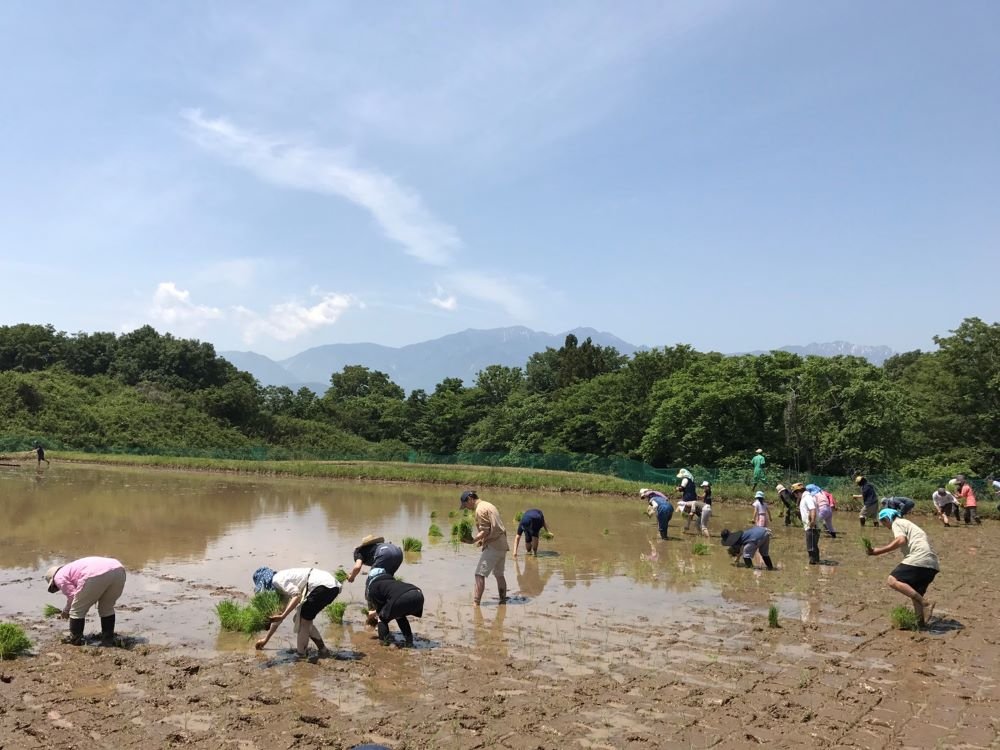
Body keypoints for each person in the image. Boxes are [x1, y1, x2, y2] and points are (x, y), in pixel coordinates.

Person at [866, 508, 939, 628]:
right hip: (932, 564)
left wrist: (878, 551)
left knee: (892, 580)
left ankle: (926, 604)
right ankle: (920, 624)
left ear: (887, 519)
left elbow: (901, 540)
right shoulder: (908, 524)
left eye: (884, 523)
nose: (885, 526)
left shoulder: (897, 523)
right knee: (915, 595)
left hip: (919, 558)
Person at [252, 566, 340, 661]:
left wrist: (283, 616)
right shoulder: (281, 589)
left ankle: (301, 655)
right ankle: (323, 650)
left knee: (302, 619)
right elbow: (278, 619)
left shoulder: (277, 580)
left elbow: (297, 595)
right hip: (331, 587)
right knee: (299, 619)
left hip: (324, 585)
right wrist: (266, 639)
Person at [45, 557, 126, 646]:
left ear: (52, 581)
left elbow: (72, 596)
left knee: (76, 610)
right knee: (106, 608)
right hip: (118, 569)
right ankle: (108, 639)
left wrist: (66, 610)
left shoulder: (58, 577)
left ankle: (76, 640)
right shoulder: (70, 568)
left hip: (94, 575)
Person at [460, 490, 509, 606]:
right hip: (502, 544)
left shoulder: (480, 509)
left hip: (494, 546)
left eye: (465, 505)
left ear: (470, 499)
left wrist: (472, 540)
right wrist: (482, 541)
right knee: (499, 574)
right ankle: (503, 600)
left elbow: (485, 531)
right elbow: (493, 527)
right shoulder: (488, 505)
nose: (466, 508)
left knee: (479, 574)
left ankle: (476, 603)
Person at [365, 576, 424, 647]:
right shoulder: (390, 583)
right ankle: (409, 641)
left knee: (382, 618)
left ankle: (384, 643)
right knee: (399, 615)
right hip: (418, 595)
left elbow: (381, 610)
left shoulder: (372, 588)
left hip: (402, 598)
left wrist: (373, 614)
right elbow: (387, 607)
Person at [793, 482, 821, 564]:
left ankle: (813, 566)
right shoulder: (807, 497)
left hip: (812, 526)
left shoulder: (807, 498)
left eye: (795, 494)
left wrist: (812, 521)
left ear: (797, 492)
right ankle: (816, 563)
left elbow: (812, 509)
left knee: (811, 548)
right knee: (814, 546)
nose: (795, 496)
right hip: (813, 526)